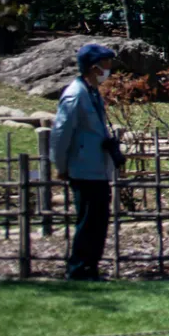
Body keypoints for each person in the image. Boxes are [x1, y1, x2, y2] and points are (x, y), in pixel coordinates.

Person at [49, 43, 122, 280]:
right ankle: (78, 268)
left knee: (99, 221)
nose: (109, 68)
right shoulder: (75, 94)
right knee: (88, 221)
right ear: (94, 67)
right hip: (83, 168)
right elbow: (61, 133)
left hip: (97, 168)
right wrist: (60, 166)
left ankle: (91, 266)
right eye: (106, 63)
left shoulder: (92, 93)